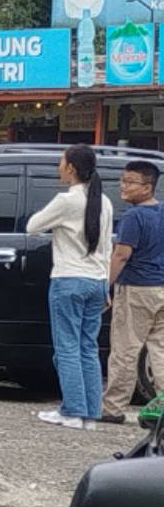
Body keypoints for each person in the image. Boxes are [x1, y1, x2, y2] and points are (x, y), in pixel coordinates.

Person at [25, 143, 114, 427]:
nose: (59, 168)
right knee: (88, 347)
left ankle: (72, 409)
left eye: (61, 162)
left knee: (67, 347)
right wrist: (106, 285)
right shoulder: (105, 201)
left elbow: (33, 226)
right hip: (96, 280)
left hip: (68, 279)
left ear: (72, 168)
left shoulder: (66, 200)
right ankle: (90, 413)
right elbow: (107, 247)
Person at [103, 159, 164, 424]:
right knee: (160, 350)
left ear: (147, 187)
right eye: (122, 180)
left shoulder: (133, 216)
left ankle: (113, 407)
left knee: (125, 349)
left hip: (136, 288)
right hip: (160, 287)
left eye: (130, 182)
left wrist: (105, 286)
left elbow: (121, 255)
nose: (123, 186)